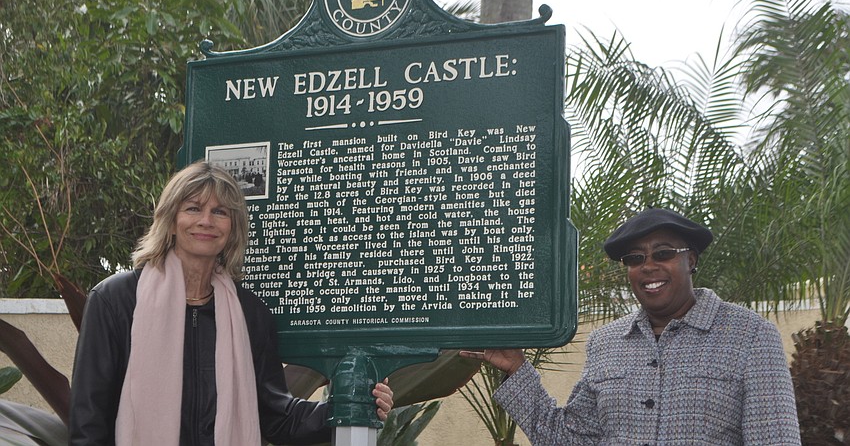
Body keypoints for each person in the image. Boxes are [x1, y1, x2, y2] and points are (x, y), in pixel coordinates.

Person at [69, 161, 393, 445]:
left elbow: (276, 416)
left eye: (219, 212)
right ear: (171, 219)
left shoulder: (249, 314)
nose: (206, 221)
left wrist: (351, 407)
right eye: (193, 208)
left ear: (232, 227)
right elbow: (88, 424)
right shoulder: (116, 300)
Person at [462, 207, 801, 445]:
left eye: (663, 253)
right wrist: (517, 370)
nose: (648, 266)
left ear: (691, 259)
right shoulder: (605, 343)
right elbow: (571, 440)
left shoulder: (751, 336)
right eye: (635, 259)